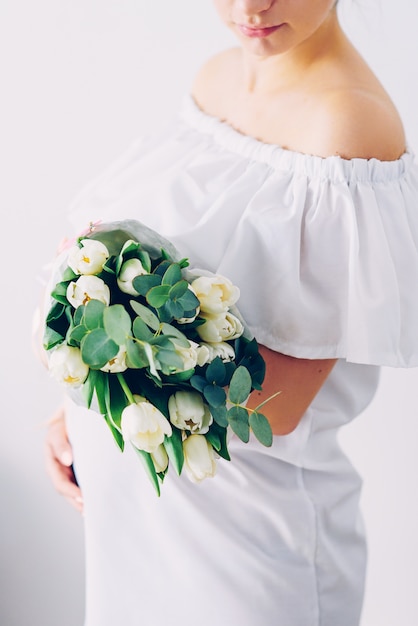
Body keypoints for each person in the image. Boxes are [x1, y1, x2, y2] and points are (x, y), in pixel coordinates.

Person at [44, 1, 418, 625]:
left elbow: (282, 401)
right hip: (139, 522)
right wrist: (80, 399)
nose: (250, 7)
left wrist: (111, 358)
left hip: (244, 543)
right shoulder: (215, 75)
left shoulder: (349, 128)